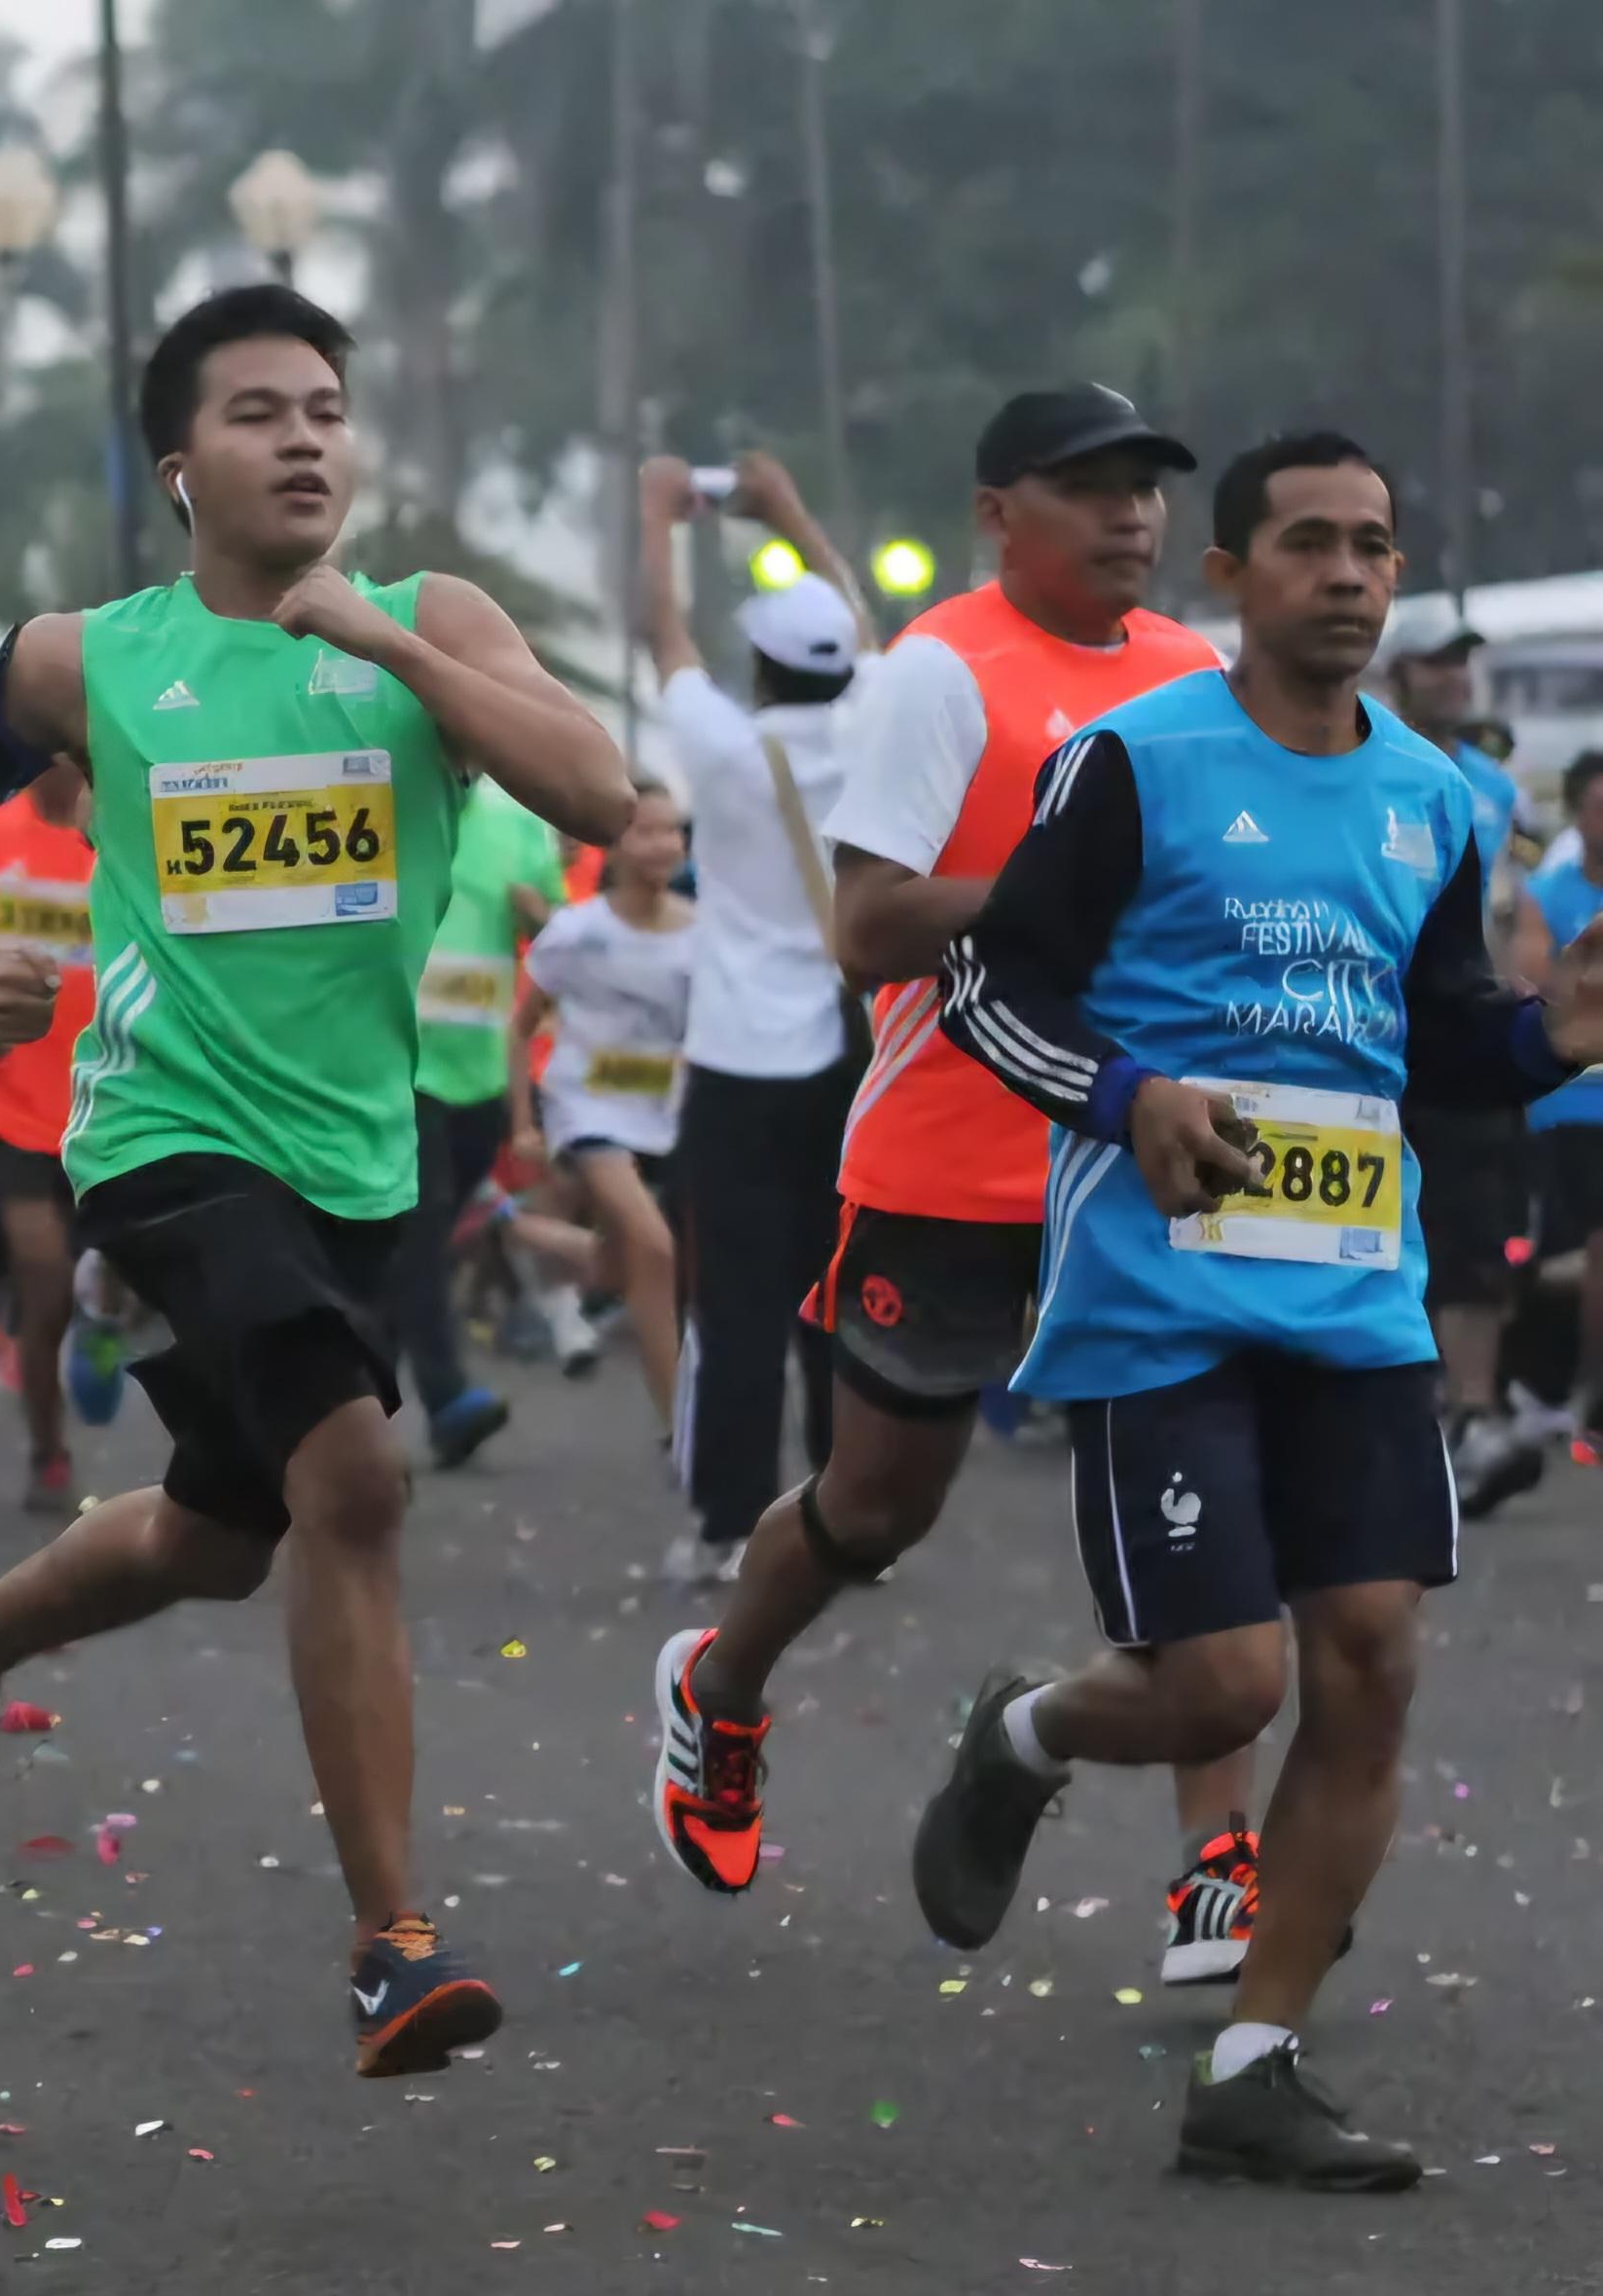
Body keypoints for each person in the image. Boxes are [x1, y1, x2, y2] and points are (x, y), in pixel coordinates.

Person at [0, 281, 634, 2077]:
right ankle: (394, 1940)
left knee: (224, 1532)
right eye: (258, 412)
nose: (303, 438)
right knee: (352, 1476)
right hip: (160, 1137)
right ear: (177, 464)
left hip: (359, 1162)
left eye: (325, 411)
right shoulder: (86, 656)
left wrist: (392, 648)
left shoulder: (429, 617)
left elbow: (599, 790)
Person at [916, 431, 1603, 2188]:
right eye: (1311, 542)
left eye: (1376, 544)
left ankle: (1254, 2058)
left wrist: (1546, 1037)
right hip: (1164, 1296)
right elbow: (991, 978)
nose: (1353, 575)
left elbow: (1439, 1032)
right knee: (1221, 1676)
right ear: (1233, 572)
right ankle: (1023, 1734)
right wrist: (1126, 1093)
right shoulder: (1133, 762)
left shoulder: (1439, 799)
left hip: (1354, 1294)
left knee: (1369, 1663)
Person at [639, 385, 1267, 1990]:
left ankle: (1218, 1861)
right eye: (1089, 488)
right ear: (1001, 513)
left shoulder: (1197, 674)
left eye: (1144, 488)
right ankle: (720, 1686)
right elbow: (874, 928)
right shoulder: (939, 669)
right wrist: (1053, 884)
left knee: (1198, 1522)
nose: (1129, 515)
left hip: (1136, 1154)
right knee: (875, 1502)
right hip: (946, 1158)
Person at [639, 451, 875, 1584]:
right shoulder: (880, 725)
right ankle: (849, 1516)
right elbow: (867, 633)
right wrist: (789, 506)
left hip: (739, 1059)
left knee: (731, 1308)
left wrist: (657, 519)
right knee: (840, 1293)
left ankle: (731, 1525)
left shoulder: (730, 752)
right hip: (851, 1058)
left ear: (764, 668)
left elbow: (666, 644)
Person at [1382, 627, 1549, 1512]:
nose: (1450, 678)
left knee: (1476, 1226)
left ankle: (1469, 1415)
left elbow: (1513, 897)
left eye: (1460, 663)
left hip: (1467, 1029)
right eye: (1432, 663)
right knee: (1384, 1225)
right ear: (1398, 672)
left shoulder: (1492, 788)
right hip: (1369, 1031)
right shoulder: (1369, 752)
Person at [503, 784, 695, 1440]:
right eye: (646, 831)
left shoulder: (701, 933)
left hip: (663, 1112)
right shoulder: (576, 932)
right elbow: (520, 1024)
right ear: (612, 844)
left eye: (673, 831)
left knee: (627, 1265)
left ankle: (514, 1231)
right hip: (584, 1106)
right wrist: (523, 1121)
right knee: (654, 1246)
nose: (664, 844)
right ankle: (680, 1423)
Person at [384, 771, 559, 1469]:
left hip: (483, 1073)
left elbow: (558, 943)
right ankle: (446, 1398)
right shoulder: (383, 796)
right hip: (401, 1065)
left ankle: (338, 1396)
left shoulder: (519, 827)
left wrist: (539, 918)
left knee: (413, 1249)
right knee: (421, 1235)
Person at [0, 759, 100, 1509]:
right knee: (42, 1279)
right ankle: (48, 1449)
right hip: (12, 1102)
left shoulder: (121, 830)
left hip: (110, 1096)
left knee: (120, 1273)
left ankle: (109, 1309)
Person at [1521, 752, 1603, 1432]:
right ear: (1577, 814)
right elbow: (1528, 998)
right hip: (1571, 1106)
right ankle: (1557, 1390)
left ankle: (1575, 1397)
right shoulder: (1547, 896)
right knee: (1566, 1261)